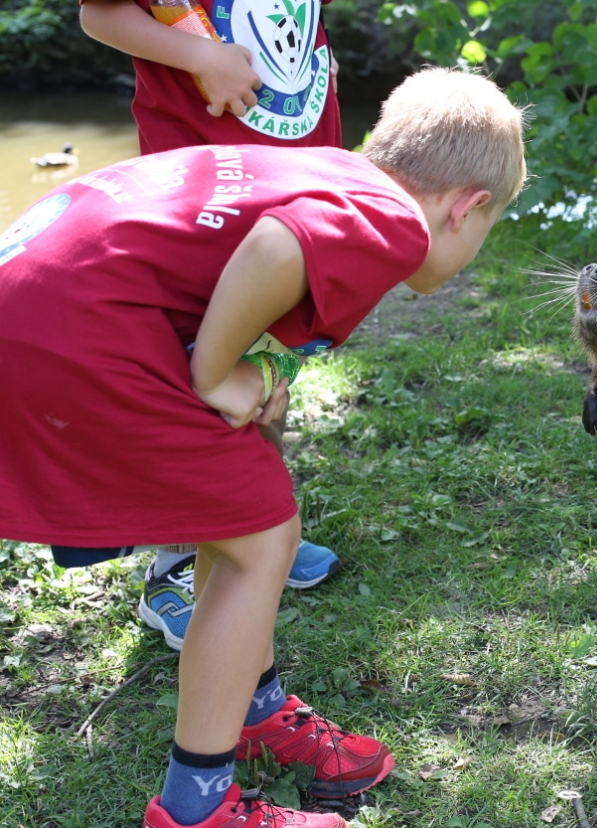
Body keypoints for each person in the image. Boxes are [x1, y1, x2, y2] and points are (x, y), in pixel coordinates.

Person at [0, 67, 526, 828]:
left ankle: (252, 705)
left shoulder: (335, 170)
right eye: (489, 227)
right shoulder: (396, 218)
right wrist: (216, 370)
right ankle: (199, 809)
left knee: (238, 510)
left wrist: (253, 367)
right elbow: (279, 245)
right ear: (467, 208)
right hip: (75, 327)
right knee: (263, 541)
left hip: (38, 291)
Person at [79, 0, 346, 650]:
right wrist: (201, 56)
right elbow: (99, 13)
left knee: (269, 341)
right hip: (202, 177)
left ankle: (255, 523)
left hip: (295, 163)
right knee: (194, 351)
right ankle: (172, 565)